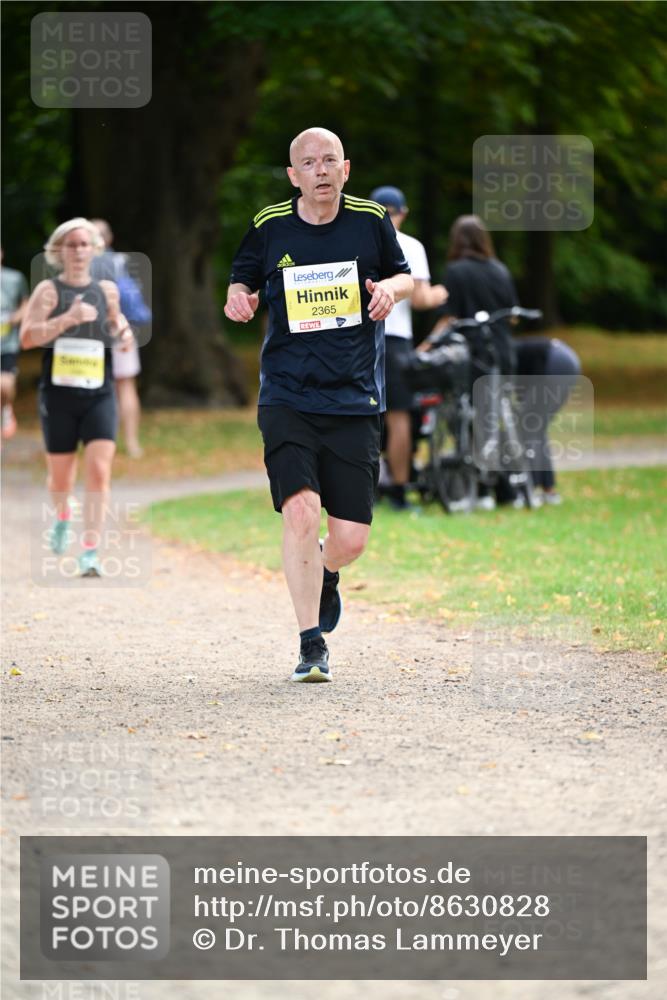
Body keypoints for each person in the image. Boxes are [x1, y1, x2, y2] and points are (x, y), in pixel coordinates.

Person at [225, 127, 413, 683]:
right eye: (309, 162)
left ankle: (327, 570)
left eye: (330, 160)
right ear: (294, 175)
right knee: (301, 511)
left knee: (350, 538)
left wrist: (388, 292)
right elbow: (241, 282)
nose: (321, 170)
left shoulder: (371, 219)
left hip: (355, 395)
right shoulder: (269, 225)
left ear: (346, 168)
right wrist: (241, 297)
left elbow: (404, 277)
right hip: (288, 393)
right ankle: (312, 644)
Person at [20, 218, 134, 577]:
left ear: (95, 249)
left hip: (99, 392)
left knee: (99, 471)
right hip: (59, 396)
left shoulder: (106, 290)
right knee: (60, 479)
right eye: (72, 244)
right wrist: (67, 319)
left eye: (85, 244)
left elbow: (117, 322)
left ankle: (89, 551)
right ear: (58, 251)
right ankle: (63, 515)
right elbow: (27, 338)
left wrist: (125, 332)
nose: (79, 250)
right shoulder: (48, 292)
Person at [430, 214, 521, 510]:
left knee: (470, 418)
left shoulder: (456, 272)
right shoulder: (500, 270)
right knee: (495, 418)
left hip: (473, 356)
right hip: (503, 352)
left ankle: (481, 485)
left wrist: (426, 346)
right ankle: (506, 485)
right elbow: (514, 316)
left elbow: (449, 316)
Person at [369, 186, 447, 510]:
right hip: (396, 338)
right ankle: (399, 490)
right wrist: (442, 293)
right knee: (398, 417)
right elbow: (420, 298)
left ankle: (364, 489)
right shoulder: (410, 246)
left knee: (362, 415)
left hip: (360, 339)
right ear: (403, 213)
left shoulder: (359, 242)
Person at [90, 219, 146, 459]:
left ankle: (101, 442)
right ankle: (132, 444)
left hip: (90, 332)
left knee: (95, 388)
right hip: (120, 329)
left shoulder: (80, 264)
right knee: (125, 385)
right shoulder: (120, 262)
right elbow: (133, 300)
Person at [514, 335, 581, 504]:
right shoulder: (516, 350)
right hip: (568, 360)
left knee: (528, 426)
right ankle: (547, 489)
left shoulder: (501, 355)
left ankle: (531, 489)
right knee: (536, 427)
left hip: (555, 361)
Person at [1, 249, 29, 440]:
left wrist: (15, 318)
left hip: (7, 342)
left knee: (4, 385)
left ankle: (6, 409)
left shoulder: (15, 278)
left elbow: (26, 303)